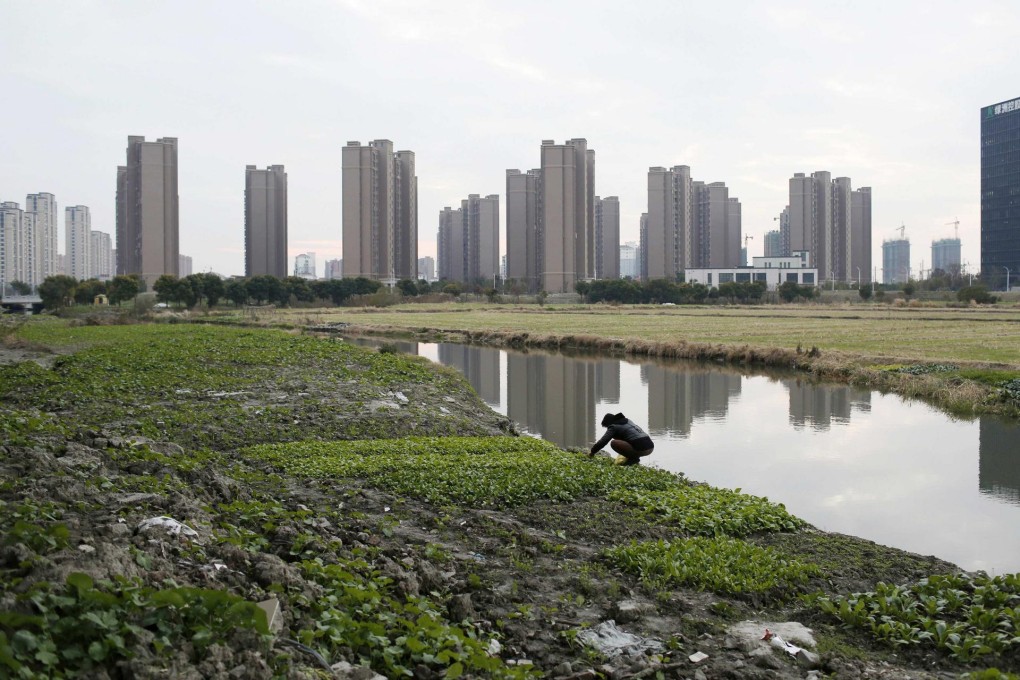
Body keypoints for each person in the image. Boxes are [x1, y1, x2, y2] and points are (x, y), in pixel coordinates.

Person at [589, 412, 654, 465]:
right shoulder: (628, 421)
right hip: (650, 446)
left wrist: (592, 452)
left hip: (641, 448)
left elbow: (603, 441)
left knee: (614, 443)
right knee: (628, 441)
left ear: (609, 423)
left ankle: (633, 459)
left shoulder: (613, 426)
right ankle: (634, 458)